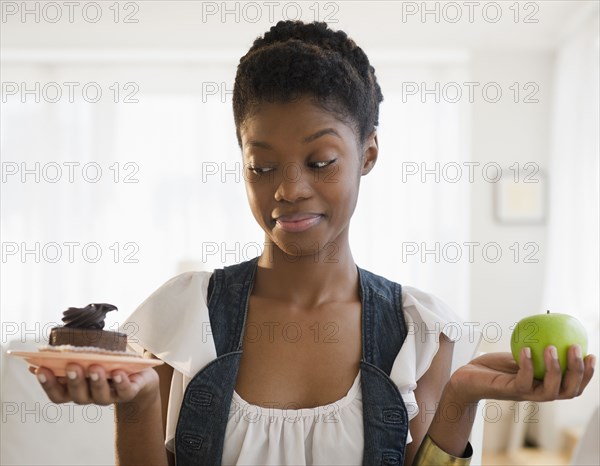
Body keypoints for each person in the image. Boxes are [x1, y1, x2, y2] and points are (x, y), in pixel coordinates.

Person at [33, 20, 595, 466]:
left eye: (320, 161)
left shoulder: (417, 330)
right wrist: (138, 409)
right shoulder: (181, 314)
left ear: (368, 154)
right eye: (262, 165)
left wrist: (461, 397)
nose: (289, 189)